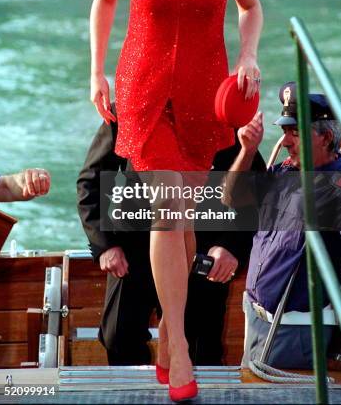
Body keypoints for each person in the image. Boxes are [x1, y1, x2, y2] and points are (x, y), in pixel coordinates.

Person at [89, 0, 263, 400]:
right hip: (142, 90)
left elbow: (250, 6)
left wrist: (249, 57)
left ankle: (167, 327)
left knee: (184, 209)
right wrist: (98, 70)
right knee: (169, 203)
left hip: (203, 92)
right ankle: (181, 344)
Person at [77, 105, 265, 367]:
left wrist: (231, 246)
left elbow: (254, 191)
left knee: (199, 349)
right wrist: (105, 244)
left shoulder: (223, 107)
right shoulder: (128, 105)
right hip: (134, 250)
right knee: (118, 338)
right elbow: (90, 180)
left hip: (203, 252)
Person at [224, 81, 341, 369]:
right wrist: (247, 151)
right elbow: (231, 197)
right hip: (256, 320)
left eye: (295, 133)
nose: (285, 142)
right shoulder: (284, 171)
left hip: (296, 331)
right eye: (284, 132)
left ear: (325, 137)